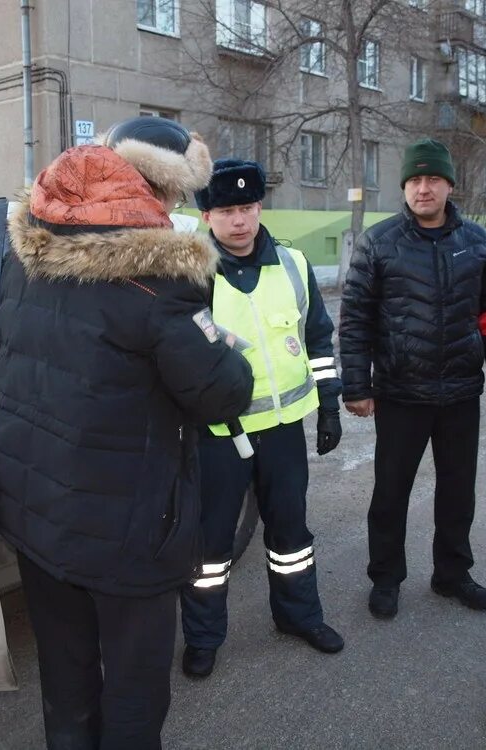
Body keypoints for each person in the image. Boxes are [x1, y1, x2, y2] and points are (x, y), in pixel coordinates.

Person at [0, 117, 253, 750]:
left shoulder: (25, 253)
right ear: (160, 190)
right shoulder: (161, 281)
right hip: (127, 530)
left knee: (66, 678)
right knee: (134, 689)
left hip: (38, 517)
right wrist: (222, 344)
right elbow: (221, 394)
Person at [179, 158, 345, 679]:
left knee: (291, 531)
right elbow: (179, 356)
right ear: (207, 216)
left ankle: (299, 617)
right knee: (211, 546)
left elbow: (318, 337)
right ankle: (204, 639)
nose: (239, 221)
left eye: (247, 207)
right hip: (219, 436)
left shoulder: (293, 265)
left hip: (282, 431)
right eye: (226, 210)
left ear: (259, 208)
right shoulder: (191, 275)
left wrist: (329, 403)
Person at [339, 138, 486, 620]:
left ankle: (452, 574)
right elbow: (356, 319)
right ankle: (386, 578)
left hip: (459, 392)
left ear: (449, 186)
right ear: (404, 187)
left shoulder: (476, 241)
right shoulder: (380, 242)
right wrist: (356, 385)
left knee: (459, 491)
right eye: (415, 180)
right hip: (401, 391)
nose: (423, 188)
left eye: (432, 179)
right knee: (390, 492)